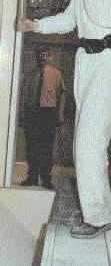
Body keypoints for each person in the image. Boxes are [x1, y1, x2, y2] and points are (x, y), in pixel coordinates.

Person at [18, 0, 111, 239]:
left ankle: (97, 217)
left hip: (107, 63)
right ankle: (102, 208)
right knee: (91, 141)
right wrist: (37, 25)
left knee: (88, 141)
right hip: (88, 63)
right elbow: (67, 22)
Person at [20, 47, 65, 189]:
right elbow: (23, 95)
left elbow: (62, 95)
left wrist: (60, 115)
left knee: (46, 148)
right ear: (37, 57)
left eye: (45, 55)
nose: (42, 57)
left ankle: (46, 180)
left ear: (49, 57)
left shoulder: (56, 74)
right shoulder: (30, 74)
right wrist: (21, 114)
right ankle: (32, 178)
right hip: (32, 112)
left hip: (48, 113)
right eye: (40, 55)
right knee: (32, 146)